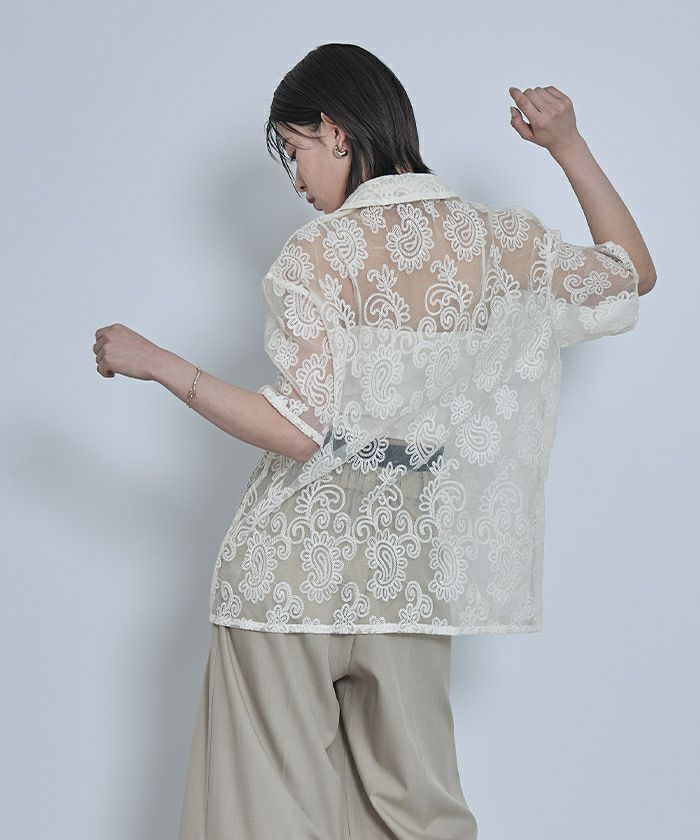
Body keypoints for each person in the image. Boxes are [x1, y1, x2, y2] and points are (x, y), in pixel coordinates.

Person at [93, 43, 656, 840]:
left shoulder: (319, 254)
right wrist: (568, 145)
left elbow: (299, 431)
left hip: (291, 567)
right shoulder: (496, 242)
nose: (296, 180)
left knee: (265, 816)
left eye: (294, 150)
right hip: (407, 564)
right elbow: (629, 272)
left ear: (335, 130)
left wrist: (158, 363)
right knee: (419, 814)